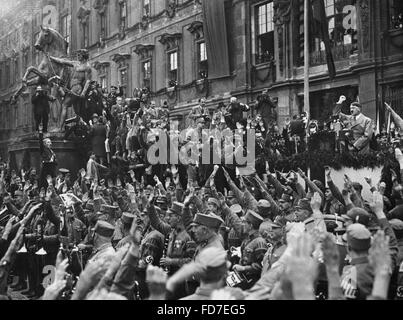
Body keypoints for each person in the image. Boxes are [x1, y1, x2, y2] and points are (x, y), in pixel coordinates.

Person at [48, 49, 92, 131]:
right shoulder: (75, 63)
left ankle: (60, 128)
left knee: (64, 105)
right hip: (72, 88)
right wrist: (52, 58)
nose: (78, 56)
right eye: (78, 55)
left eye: (80, 55)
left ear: (84, 56)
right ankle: (83, 126)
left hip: (77, 88)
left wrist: (83, 92)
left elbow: (88, 80)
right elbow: (62, 62)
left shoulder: (87, 67)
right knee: (77, 111)